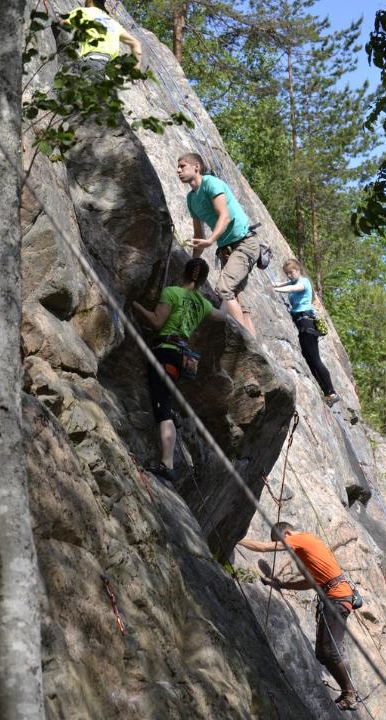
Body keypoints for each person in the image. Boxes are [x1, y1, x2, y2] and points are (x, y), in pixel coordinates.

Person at [238, 521, 359, 711]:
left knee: (330, 651)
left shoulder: (299, 539)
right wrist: (282, 585)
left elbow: (263, 548)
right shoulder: (308, 545)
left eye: (282, 542)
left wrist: (239, 539)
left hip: (336, 598)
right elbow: (311, 582)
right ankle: (348, 692)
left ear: (286, 533)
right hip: (336, 596)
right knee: (322, 653)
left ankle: (350, 694)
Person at [132, 258, 224, 482]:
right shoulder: (202, 304)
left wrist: (134, 304)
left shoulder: (172, 292)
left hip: (165, 352)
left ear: (184, 272)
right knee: (167, 404)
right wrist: (226, 298)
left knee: (162, 410)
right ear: (202, 280)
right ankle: (168, 457)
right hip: (182, 357)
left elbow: (156, 322)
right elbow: (222, 317)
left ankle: (167, 463)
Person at [177, 153, 259, 337]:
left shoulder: (211, 184)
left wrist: (211, 240)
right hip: (227, 250)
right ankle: (257, 353)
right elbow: (199, 236)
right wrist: (192, 269)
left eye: (182, 166)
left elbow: (225, 215)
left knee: (223, 288)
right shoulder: (191, 199)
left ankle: (244, 342)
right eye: (178, 167)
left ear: (196, 167)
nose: (178, 170)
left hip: (244, 242)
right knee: (238, 303)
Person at [273, 259, 339, 407]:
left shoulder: (304, 282)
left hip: (306, 323)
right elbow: (284, 284)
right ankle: (327, 392)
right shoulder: (293, 281)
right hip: (302, 322)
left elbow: (293, 289)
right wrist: (276, 284)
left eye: (291, 272)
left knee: (315, 359)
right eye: (287, 273)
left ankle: (332, 392)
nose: (289, 275)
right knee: (309, 360)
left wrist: (275, 290)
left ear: (298, 270)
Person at [62, 0, 142, 74]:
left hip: (89, 63)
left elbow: (62, 23)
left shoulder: (84, 12)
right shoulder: (113, 23)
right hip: (103, 70)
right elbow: (136, 43)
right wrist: (135, 70)